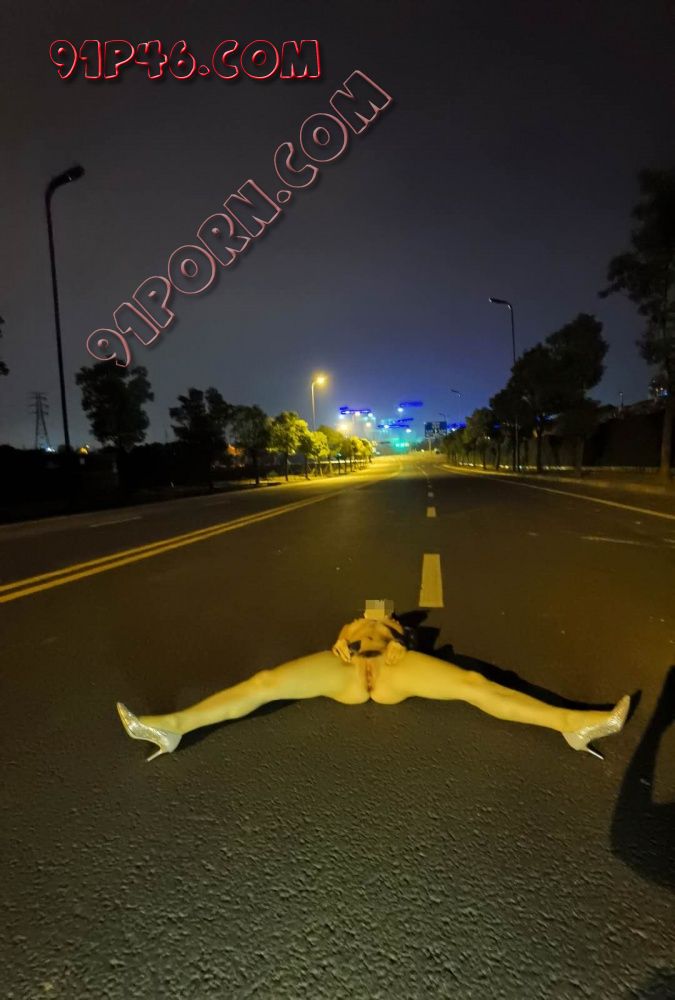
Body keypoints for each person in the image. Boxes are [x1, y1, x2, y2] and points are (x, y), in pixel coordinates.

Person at [117, 601, 630, 762]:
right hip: (343, 672)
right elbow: (339, 639)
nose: (375, 608)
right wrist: (342, 643)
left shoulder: (395, 627)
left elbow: (406, 641)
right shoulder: (353, 623)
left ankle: (571, 724)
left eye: (382, 609)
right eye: (370, 607)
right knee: (266, 680)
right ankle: (173, 728)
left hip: (391, 671)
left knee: (474, 684)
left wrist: (400, 642)